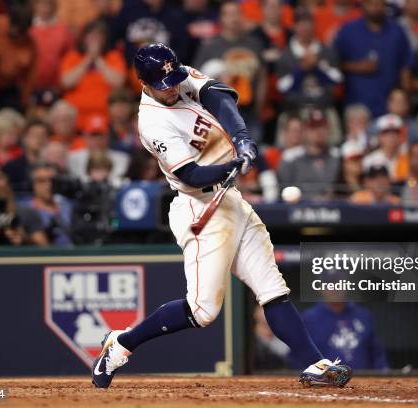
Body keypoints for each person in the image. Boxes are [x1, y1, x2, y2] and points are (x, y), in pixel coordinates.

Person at [90, 43, 352, 389]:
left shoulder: (178, 78)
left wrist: (242, 139)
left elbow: (218, 95)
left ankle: (315, 363)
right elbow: (191, 175)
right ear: (145, 83)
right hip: (199, 207)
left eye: (173, 79)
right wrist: (231, 165)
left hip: (231, 201)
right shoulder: (152, 122)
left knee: (272, 290)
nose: (172, 87)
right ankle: (121, 345)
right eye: (163, 84)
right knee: (202, 311)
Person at [193, 1, 266, 143]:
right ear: (222, 18)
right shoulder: (210, 46)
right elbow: (196, 81)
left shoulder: (255, 44)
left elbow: (262, 77)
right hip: (219, 114)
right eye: (229, 14)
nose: (234, 18)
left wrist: (259, 108)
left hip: (249, 113)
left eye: (237, 13)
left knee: (251, 158)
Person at [333, 0, 413, 117]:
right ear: (363, 4)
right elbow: (334, 65)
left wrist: (406, 98)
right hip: (357, 107)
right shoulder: (348, 30)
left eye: (379, 3)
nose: (375, 6)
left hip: (390, 108)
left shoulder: (397, 31)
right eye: (370, 3)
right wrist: (357, 66)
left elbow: (406, 66)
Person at [59, 20, 126, 129]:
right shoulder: (73, 56)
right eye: (91, 34)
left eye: (99, 35)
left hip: (106, 110)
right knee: (61, 110)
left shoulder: (113, 56)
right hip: (75, 110)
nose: (95, 39)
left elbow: (118, 82)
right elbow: (66, 82)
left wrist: (98, 59)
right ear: (84, 37)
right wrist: (88, 58)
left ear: (105, 39)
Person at [299, 302, 389, 370]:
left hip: (364, 382)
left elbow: (377, 352)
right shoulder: (310, 317)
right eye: (330, 283)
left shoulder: (363, 314)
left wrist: (384, 371)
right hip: (325, 381)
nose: (335, 288)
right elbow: (299, 353)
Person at [277, 109, 341, 200]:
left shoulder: (337, 157)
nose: (318, 132)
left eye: (322, 127)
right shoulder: (291, 158)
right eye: (313, 127)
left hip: (331, 207)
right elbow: (284, 191)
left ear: (328, 130)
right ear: (305, 131)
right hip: (298, 207)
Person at [30, 0, 74, 91]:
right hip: (32, 83)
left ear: (53, 6)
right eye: (41, 3)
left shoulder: (63, 30)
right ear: (35, 6)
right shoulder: (28, 30)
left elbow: (70, 56)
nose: (44, 8)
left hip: (57, 84)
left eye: (47, 3)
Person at [26, 162, 72, 246]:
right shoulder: (26, 211)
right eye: (42, 181)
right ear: (32, 184)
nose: (49, 185)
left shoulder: (68, 206)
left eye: (52, 180)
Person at [3, 119, 51, 193]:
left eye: (43, 135)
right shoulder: (12, 167)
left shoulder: (53, 167)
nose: (39, 139)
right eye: (34, 135)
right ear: (25, 138)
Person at [362, 114, 408, 182]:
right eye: (386, 133)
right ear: (379, 136)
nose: (391, 136)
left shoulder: (408, 158)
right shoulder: (369, 160)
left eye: (395, 132)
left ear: (401, 136)